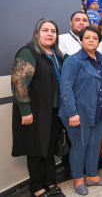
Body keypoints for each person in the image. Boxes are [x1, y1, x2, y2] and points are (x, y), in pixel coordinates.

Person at [11, 19, 63, 197]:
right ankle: (36, 186)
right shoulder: (29, 52)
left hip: (54, 110)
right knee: (35, 149)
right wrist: (25, 110)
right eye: (45, 30)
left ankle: (49, 181)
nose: (50, 34)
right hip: (35, 112)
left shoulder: (56, 54)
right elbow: (19, 83)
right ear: (36, 34)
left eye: (53, 31)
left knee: (49, 148)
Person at [59, 27, 102, 195]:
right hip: (78, 112)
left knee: (94, 145)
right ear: (81, 41)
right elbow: (65, 88)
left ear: (98, 41)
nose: (91, 40)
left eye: (94, 38)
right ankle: (78, 179)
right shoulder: (73, 61)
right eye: (87, 37)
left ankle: (92, 176)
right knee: (79, 146)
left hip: (99, 111)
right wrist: (72, 113)